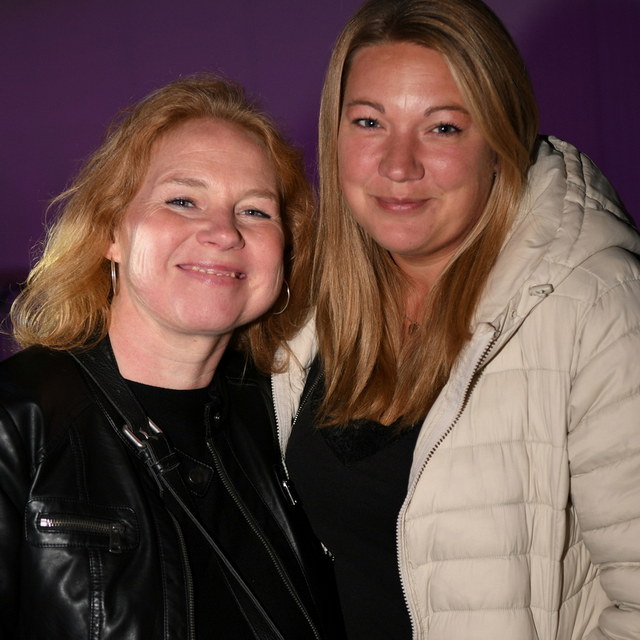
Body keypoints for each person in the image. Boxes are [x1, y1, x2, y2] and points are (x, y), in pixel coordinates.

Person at [271, 0, 640, 638]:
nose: (398, 165)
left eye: (442, 128)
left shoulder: (596, 306)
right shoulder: (305, 301)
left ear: (500, 142)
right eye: (369, 122)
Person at [0, 74, 341, 639]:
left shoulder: (291, 427)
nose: (223, 233)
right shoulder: (17, 422)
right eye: (183, 200)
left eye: (256, 211)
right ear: (110, 232)